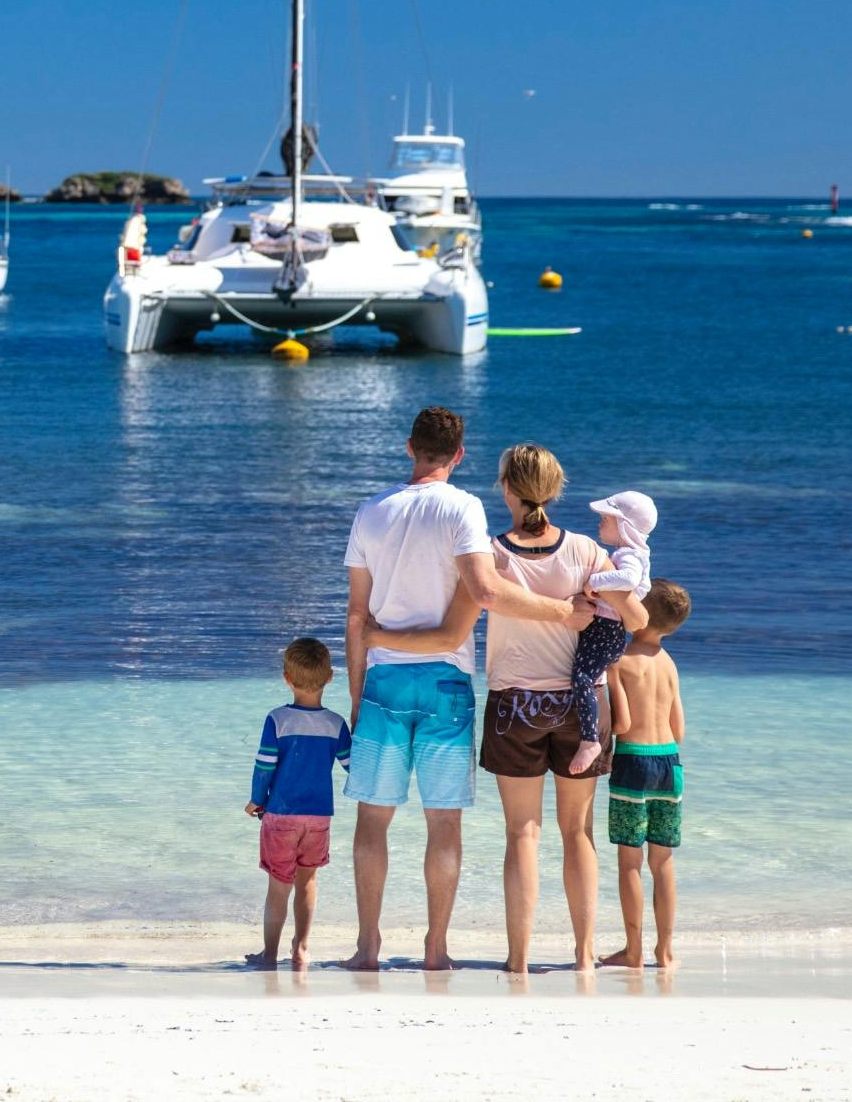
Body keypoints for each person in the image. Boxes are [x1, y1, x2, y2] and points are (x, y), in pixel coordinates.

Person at [377, 442, 648, 973]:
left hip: (513, 705)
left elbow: (454, 627)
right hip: (581, 706)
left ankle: (519, 960)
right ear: (555, 490)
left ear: (505, 488)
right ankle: (584, 956)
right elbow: (636, 620)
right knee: (578, 833)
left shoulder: (490, 555)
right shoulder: (586, 551)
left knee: (523, 832)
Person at [340, 410, 592, 972]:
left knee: (372, 821)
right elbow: (486, 591)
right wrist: (564, 613)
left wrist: (356, 698)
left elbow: (356, 616)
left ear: (410, 447)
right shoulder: (463, 508)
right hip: (447, 683)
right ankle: (436, 948)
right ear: (459, 455)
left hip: (383, 679)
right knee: (444, 823)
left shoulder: (370, 511)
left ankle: (367, 946)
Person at [243, 636, 352, 970]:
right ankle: (301, 948)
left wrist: (256, 800)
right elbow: (352, 766)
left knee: (279, 886)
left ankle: (269, 955)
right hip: (319, 817)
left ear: (286, 678)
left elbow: (264, 767)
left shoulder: (277, 720)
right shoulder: (336, 724)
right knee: (308, 881)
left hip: (281, 815)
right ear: (330, 677)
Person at [601, 579, 690, 970]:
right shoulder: (669, 664)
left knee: (629, 864)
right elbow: (678, 730)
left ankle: (633, 949)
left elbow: (622, 725)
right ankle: (665, 951)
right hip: (669, 764)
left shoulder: (620, 661)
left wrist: (608, 681)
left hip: (633, 764)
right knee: (663, 862)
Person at [567, 491, 658, 775]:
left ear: (624, 526)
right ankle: (589, 737)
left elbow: (628, 579)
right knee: (584, 676)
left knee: (582, 677)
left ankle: (589, 740)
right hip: (606, 629)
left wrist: (594, 581)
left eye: (606, 519)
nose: (600, 523)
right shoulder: (626, 553)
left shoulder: (631, 554)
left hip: (607, 630)